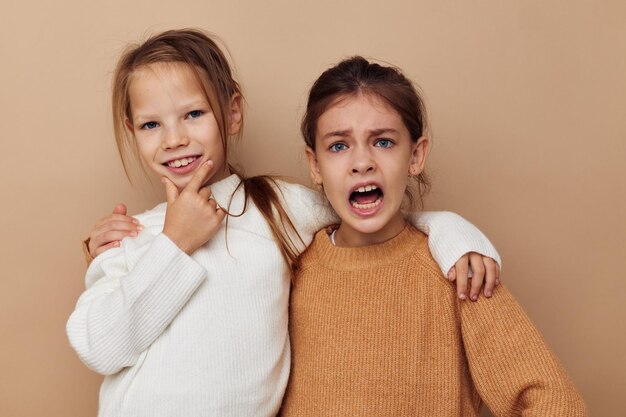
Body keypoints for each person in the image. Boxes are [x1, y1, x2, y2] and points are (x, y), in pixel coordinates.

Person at [68, 29, 501, 417]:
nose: (174, 138)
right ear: (132, 130)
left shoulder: (276, 207)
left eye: (194, 114)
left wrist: (453, 232)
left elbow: (372, 208)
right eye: (150, 124)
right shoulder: (134, 237)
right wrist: (173, 244)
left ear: (233, 111)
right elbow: (100, 349)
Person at [279, 56, 587, 416]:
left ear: (416, 155)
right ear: (314, 165)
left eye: (382, 142)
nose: (362, 162)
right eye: (338, 146)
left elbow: (554, 401)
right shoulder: (289, 270)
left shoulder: (456, 271)